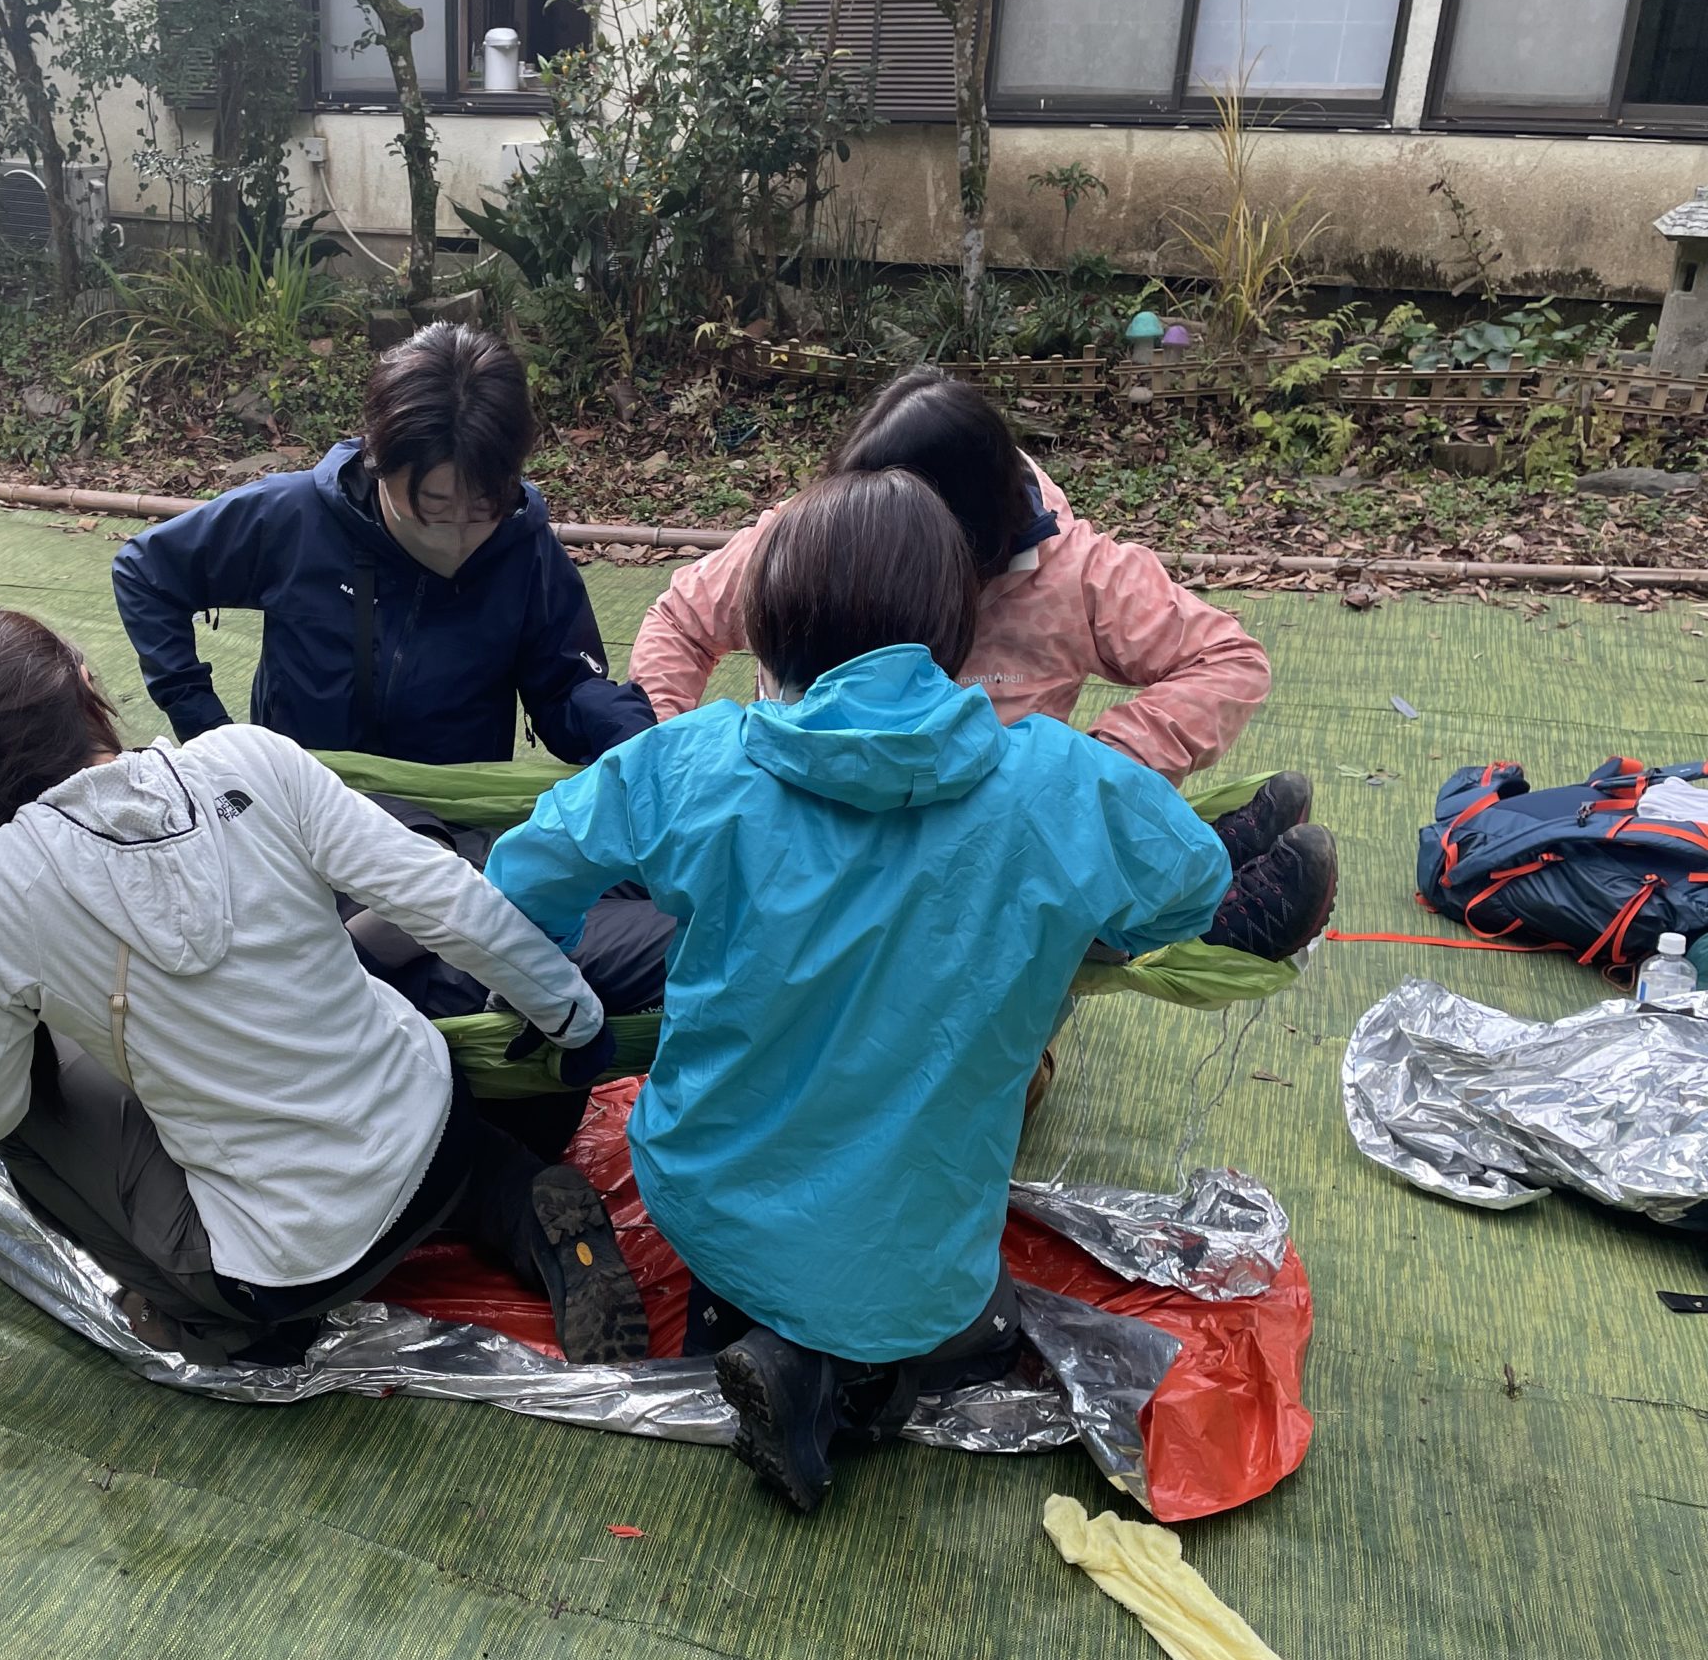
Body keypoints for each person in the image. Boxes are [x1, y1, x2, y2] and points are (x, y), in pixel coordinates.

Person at [482, 470, 1238, 1513]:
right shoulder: (1060, 783)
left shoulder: (693, 761)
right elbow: (1194, 885)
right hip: (917, 1256)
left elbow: (523, 875)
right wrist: (1074, 931)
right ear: (954, 624)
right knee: (976, 1327)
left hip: (702, 1192)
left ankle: (765, 1336)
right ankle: (842, 1376)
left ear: (771, 625)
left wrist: (557, 977)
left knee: (777, 1246)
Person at [0, 608, 649, 1367]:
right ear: (86, 685)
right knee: (351, 1005)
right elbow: (444, 895)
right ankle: (510, 1194)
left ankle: (220, 1324)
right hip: (442, 1129)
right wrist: (573, 1017)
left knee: (29, 1106)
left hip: (290, 1267)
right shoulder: (246, 756)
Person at [627, 368, 1332, 959]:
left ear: (967, 541)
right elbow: (680, 621)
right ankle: (1192, 914)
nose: (862, 561)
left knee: (1044, 832)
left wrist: (1107, 764)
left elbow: (1225, 659)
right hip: (807, 837)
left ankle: (1192, 883)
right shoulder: (809, 540)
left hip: (984, 854)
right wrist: (663, 759)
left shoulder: (1072, 576)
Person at [111, 322, 655, 766]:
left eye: (483, 505)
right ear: (378, 461)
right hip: (301, 809)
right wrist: (207, 729)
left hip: (446, 826)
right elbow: (146, 573)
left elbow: (566, 689)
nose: (457, 536)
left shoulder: (523, 548)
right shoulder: (294, 517)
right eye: (434, 506)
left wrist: (631, 737)